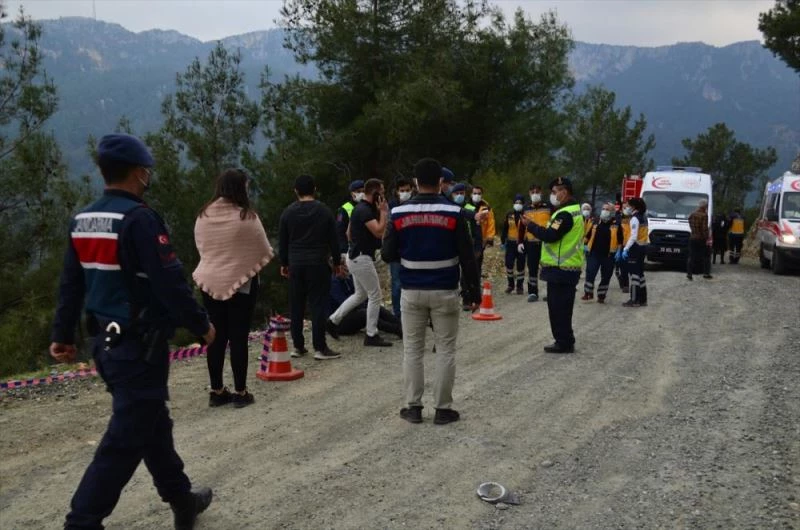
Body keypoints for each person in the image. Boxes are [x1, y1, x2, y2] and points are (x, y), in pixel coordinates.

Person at [50, 134, 214, 530]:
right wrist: (201, 325)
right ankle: (81, 522)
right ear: (140, 173)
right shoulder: (139, 219)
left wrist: (62, 335)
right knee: (124, 440)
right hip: (138, 347)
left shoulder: (83, 220)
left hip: (105, 346)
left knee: (152, 422)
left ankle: (182, 499)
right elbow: (169, 283)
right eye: (147, 171)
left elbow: (71, 284)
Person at [382, 157, 481, 425]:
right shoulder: (454, 212)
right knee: (446, 350)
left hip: (411, 289)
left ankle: (413, 407)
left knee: (413, 350)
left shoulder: (398, 213)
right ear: (440, 181)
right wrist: (473, 292)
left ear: (415, 182)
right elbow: (467, 256)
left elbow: (387, 253)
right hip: (445, 289)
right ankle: (442, 409)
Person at [193, 168, 274, 408]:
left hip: (209, 282)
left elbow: (203, 247)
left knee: (215, 337)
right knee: (238, 337)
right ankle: (240, 392)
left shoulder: (203, 215)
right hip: (242, 285)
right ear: (240, 188)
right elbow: (262, 248)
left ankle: (217, 391)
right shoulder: (247, 216)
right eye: (246, 186)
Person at [279, 174, 344, 360]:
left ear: (296, 191)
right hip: (318, 263)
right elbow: (334, 239)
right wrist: (337, 263)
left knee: (296, 305)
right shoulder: (324, 211)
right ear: (314, 189)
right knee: (318, 305)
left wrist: (284, 263)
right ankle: (320, 347)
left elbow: (283, 241)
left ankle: (298, 346)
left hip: (296, 263)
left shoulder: (287, 213)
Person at [327, 178, 393, 347]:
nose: (384, 196)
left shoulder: (359, 208)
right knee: (375, 295)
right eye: (382, 192)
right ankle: (371, 333)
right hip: (362, 257)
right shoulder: (365, 210)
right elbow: (379, 232)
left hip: (355, 256)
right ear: (375, 193)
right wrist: (384, 213)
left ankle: (333, 320)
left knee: (360, 294)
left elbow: (348, 233)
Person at [522, 177, 585, 353]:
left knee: (558, 308)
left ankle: (563, 342)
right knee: (562, 307)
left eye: (555, 192)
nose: (553, 195)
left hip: (561, 268)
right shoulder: (572, 210)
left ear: (565, 192)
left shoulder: (565, 214)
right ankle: (565, 339)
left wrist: (531, 226)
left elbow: (550, 235)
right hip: (565, 267)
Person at [329, 273, 402, 337]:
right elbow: (343, 302)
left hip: (353, 313)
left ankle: (400, 324)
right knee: (366, 314)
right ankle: (396, 330)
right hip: (339, 322)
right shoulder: (333, 283)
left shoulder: (348, 279)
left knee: (376, 308)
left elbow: (363, 295)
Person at [451, 183, 484, 310]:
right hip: (453, 245)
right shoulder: (450, 208)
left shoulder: (471, 209)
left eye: (462, 193)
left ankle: (467, 299)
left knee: (467, 273)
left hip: (468, 244)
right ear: (452, 194)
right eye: (457, 193)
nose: (459, 196)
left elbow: (477, 230)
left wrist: (478, 248)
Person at [581, 202, 622, 303]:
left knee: (606, 276)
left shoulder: (616, 224)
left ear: (612, 212)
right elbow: (588, 235)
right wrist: (583, 245)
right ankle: (588, 293)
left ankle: (601, 295)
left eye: (607, 209)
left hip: (609, 255)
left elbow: (620, 240)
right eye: (603, 209)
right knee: (590, 272)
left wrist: (619, 251)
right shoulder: (595, 221)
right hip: (594, 253)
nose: (604, 211)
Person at [519, 184, 550, 302]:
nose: (535, 194)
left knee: (548, 268)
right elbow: (522, 226)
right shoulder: (525, 208)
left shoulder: (549, 207)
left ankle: (550, 292)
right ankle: (533, 292)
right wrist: (520, 242)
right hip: (531, 243)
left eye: (537, 192)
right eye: (532, 192)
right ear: (529, 193)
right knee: (532, 268)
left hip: (546, 243)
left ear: (541, 193)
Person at [388, 177, 414, 318]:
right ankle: (397, 315)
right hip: (396, 251)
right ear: (397, 191)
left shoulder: (415, 204)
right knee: (397, 284)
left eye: (407, 190)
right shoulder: (392, 206)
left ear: (412, 190)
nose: (404, 193)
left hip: (412, 249)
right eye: (402, 190)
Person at [621, 197, 649, 307]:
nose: (626, 207)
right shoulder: (644, 217)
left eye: (628, 205)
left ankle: (634, 300)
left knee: (634, 275)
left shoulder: (635, 218)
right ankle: (643, 299)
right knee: (640, 274)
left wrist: (625, 248)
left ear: (633, 207)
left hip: (635, 248)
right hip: (643, 247)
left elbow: (633, 236)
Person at [500, 194, 526, 294]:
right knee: (509, 264)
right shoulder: (509, 214)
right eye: (516, 202)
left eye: (520, 203)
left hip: (522, 243)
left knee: (521, 266)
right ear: (513, 203)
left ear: (523, 204)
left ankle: (519, 286)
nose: (518, 204)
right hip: (510, 244)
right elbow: (505, 228)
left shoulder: (525, 214)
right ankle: (510, 285)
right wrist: (503, 241)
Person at [470, 184, 495, 277]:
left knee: (477, 263)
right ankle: (465, 284)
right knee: (467, 263)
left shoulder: (486, 206)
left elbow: (491, 223)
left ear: (482, 194)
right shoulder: (466, 205)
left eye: (479, 193)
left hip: (481, 240)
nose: (477, 195)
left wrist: (489, 238)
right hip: (468, 238)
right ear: (471, 194)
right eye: (475, 193)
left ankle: (476, 282)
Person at [336, 179, 365, 260]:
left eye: (363, 191)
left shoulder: (368, 206)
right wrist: (343, 250)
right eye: (359, 191)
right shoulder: (344, 209)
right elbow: (339, 231)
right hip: (350, 250)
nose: (362, 194)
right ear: (352, 193)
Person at [687, 199, 713, 280]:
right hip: (701, 239)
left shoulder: (692, 214)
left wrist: (693, 230)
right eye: (706, 206)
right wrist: (707, 238)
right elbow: (704, 229)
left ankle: (689, 273)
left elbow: (689, 221)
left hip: (693, 237)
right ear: (704, 206)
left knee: (691, 256)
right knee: (706, 256)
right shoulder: (704, 215)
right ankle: (706, 273)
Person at [615, 202, 631, 293]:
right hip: (623, 245)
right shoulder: (619, 218)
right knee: (622, 267)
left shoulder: (634, 218)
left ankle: (627, 285)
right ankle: (625, 284)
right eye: (624, 207)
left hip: (632, 245)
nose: (626, 209)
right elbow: (619, 234)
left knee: (630, 267)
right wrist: (619, 249)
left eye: (627, 207)